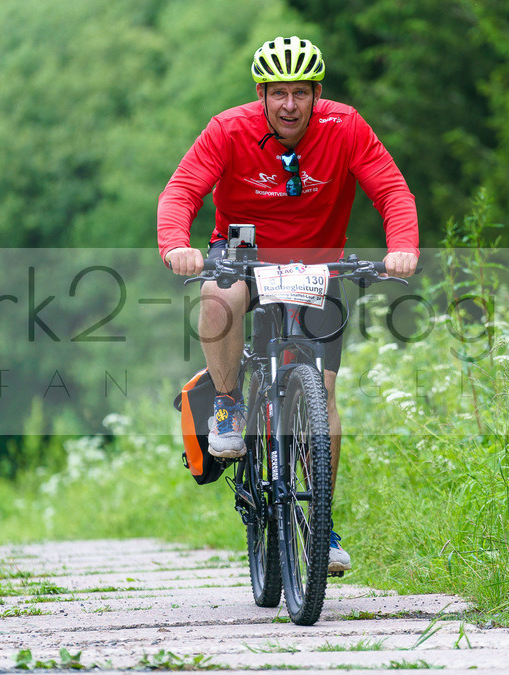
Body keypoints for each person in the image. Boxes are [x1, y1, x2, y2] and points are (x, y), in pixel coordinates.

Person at [158, 36, 419, 573]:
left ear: (317, 94)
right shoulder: (228, 129)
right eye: (279, 93)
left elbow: (392, 192)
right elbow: (181, 191)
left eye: (301, 93)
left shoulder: (346, 127)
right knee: (217, 292)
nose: (290, 105)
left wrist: (403, 247)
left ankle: (321, 526)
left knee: (324, 395)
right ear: (262, 94)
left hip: (318, 267)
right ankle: (227, 404)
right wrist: (176, 246)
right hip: (244, 256)